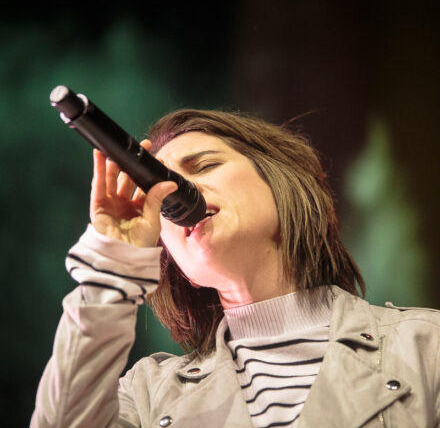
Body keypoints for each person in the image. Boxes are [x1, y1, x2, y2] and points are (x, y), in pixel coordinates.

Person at [31, 110, 440, 427]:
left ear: (280, 180)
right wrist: (112, 265)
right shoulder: (147, 395)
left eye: (204, 166)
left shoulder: (426, 348)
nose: (175, 194)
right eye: (160, 191)